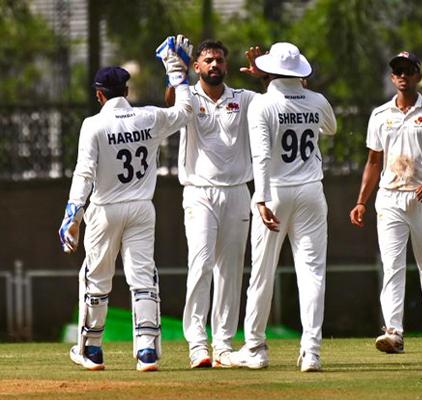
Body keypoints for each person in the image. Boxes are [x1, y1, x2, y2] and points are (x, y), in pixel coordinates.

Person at [57, 35, 194, 372]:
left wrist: (72, 215)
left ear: (100, 94)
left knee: (97, 279)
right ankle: (146, 351)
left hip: (104, 210)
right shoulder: (148, 118)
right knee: (143, 278)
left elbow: (84, 173)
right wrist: (177, 72)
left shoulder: (93, 125)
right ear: (126, 92)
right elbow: (187, 110)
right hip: (141, 209)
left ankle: (91, 351)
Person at [228, 42, 337, 372]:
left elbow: (261, 155)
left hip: (274, 193)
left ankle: (255, 349)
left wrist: (260, 197)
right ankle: (312, 352)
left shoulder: (262, 105)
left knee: (261, 274)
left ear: (269, 71)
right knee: (313, 274)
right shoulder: (316, 100)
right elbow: (330, 127)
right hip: (311, 193)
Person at [164, 40, 261, 369]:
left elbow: (274, 108)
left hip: (237, 192)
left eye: (219, 60)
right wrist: (173, 75)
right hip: (199, 192)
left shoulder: (244, 99)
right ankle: (196, 342)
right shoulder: (188, 96)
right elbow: (171, 108)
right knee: (201, 263)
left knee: (230, 271)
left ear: (227, 65)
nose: (214, 65)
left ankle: (222, 344)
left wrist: (266, 76)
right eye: (208, 60)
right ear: (197, 67)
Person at [349, 51, 422, 353]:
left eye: (408, 70)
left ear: (418, 75)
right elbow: (373, 161)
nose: (403, 76)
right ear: (392, 77)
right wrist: (361, 202)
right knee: (392, 265)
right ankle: (393, 331)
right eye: (398, 71)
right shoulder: (380, 115)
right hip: (390, 196)